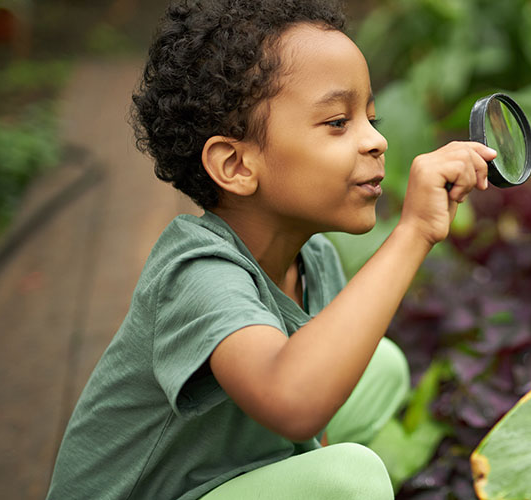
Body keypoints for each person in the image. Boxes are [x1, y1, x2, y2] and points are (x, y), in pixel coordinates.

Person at [46, 0, 495, 498]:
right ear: (236, 165)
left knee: (381, 366)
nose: (377, 141)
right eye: (337, 122)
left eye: (371, 117)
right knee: (351, 479)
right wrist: (412, 232)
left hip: (217, 477)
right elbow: (295, 401)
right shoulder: (196, 272)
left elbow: (311, 425)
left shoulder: (315, 260)